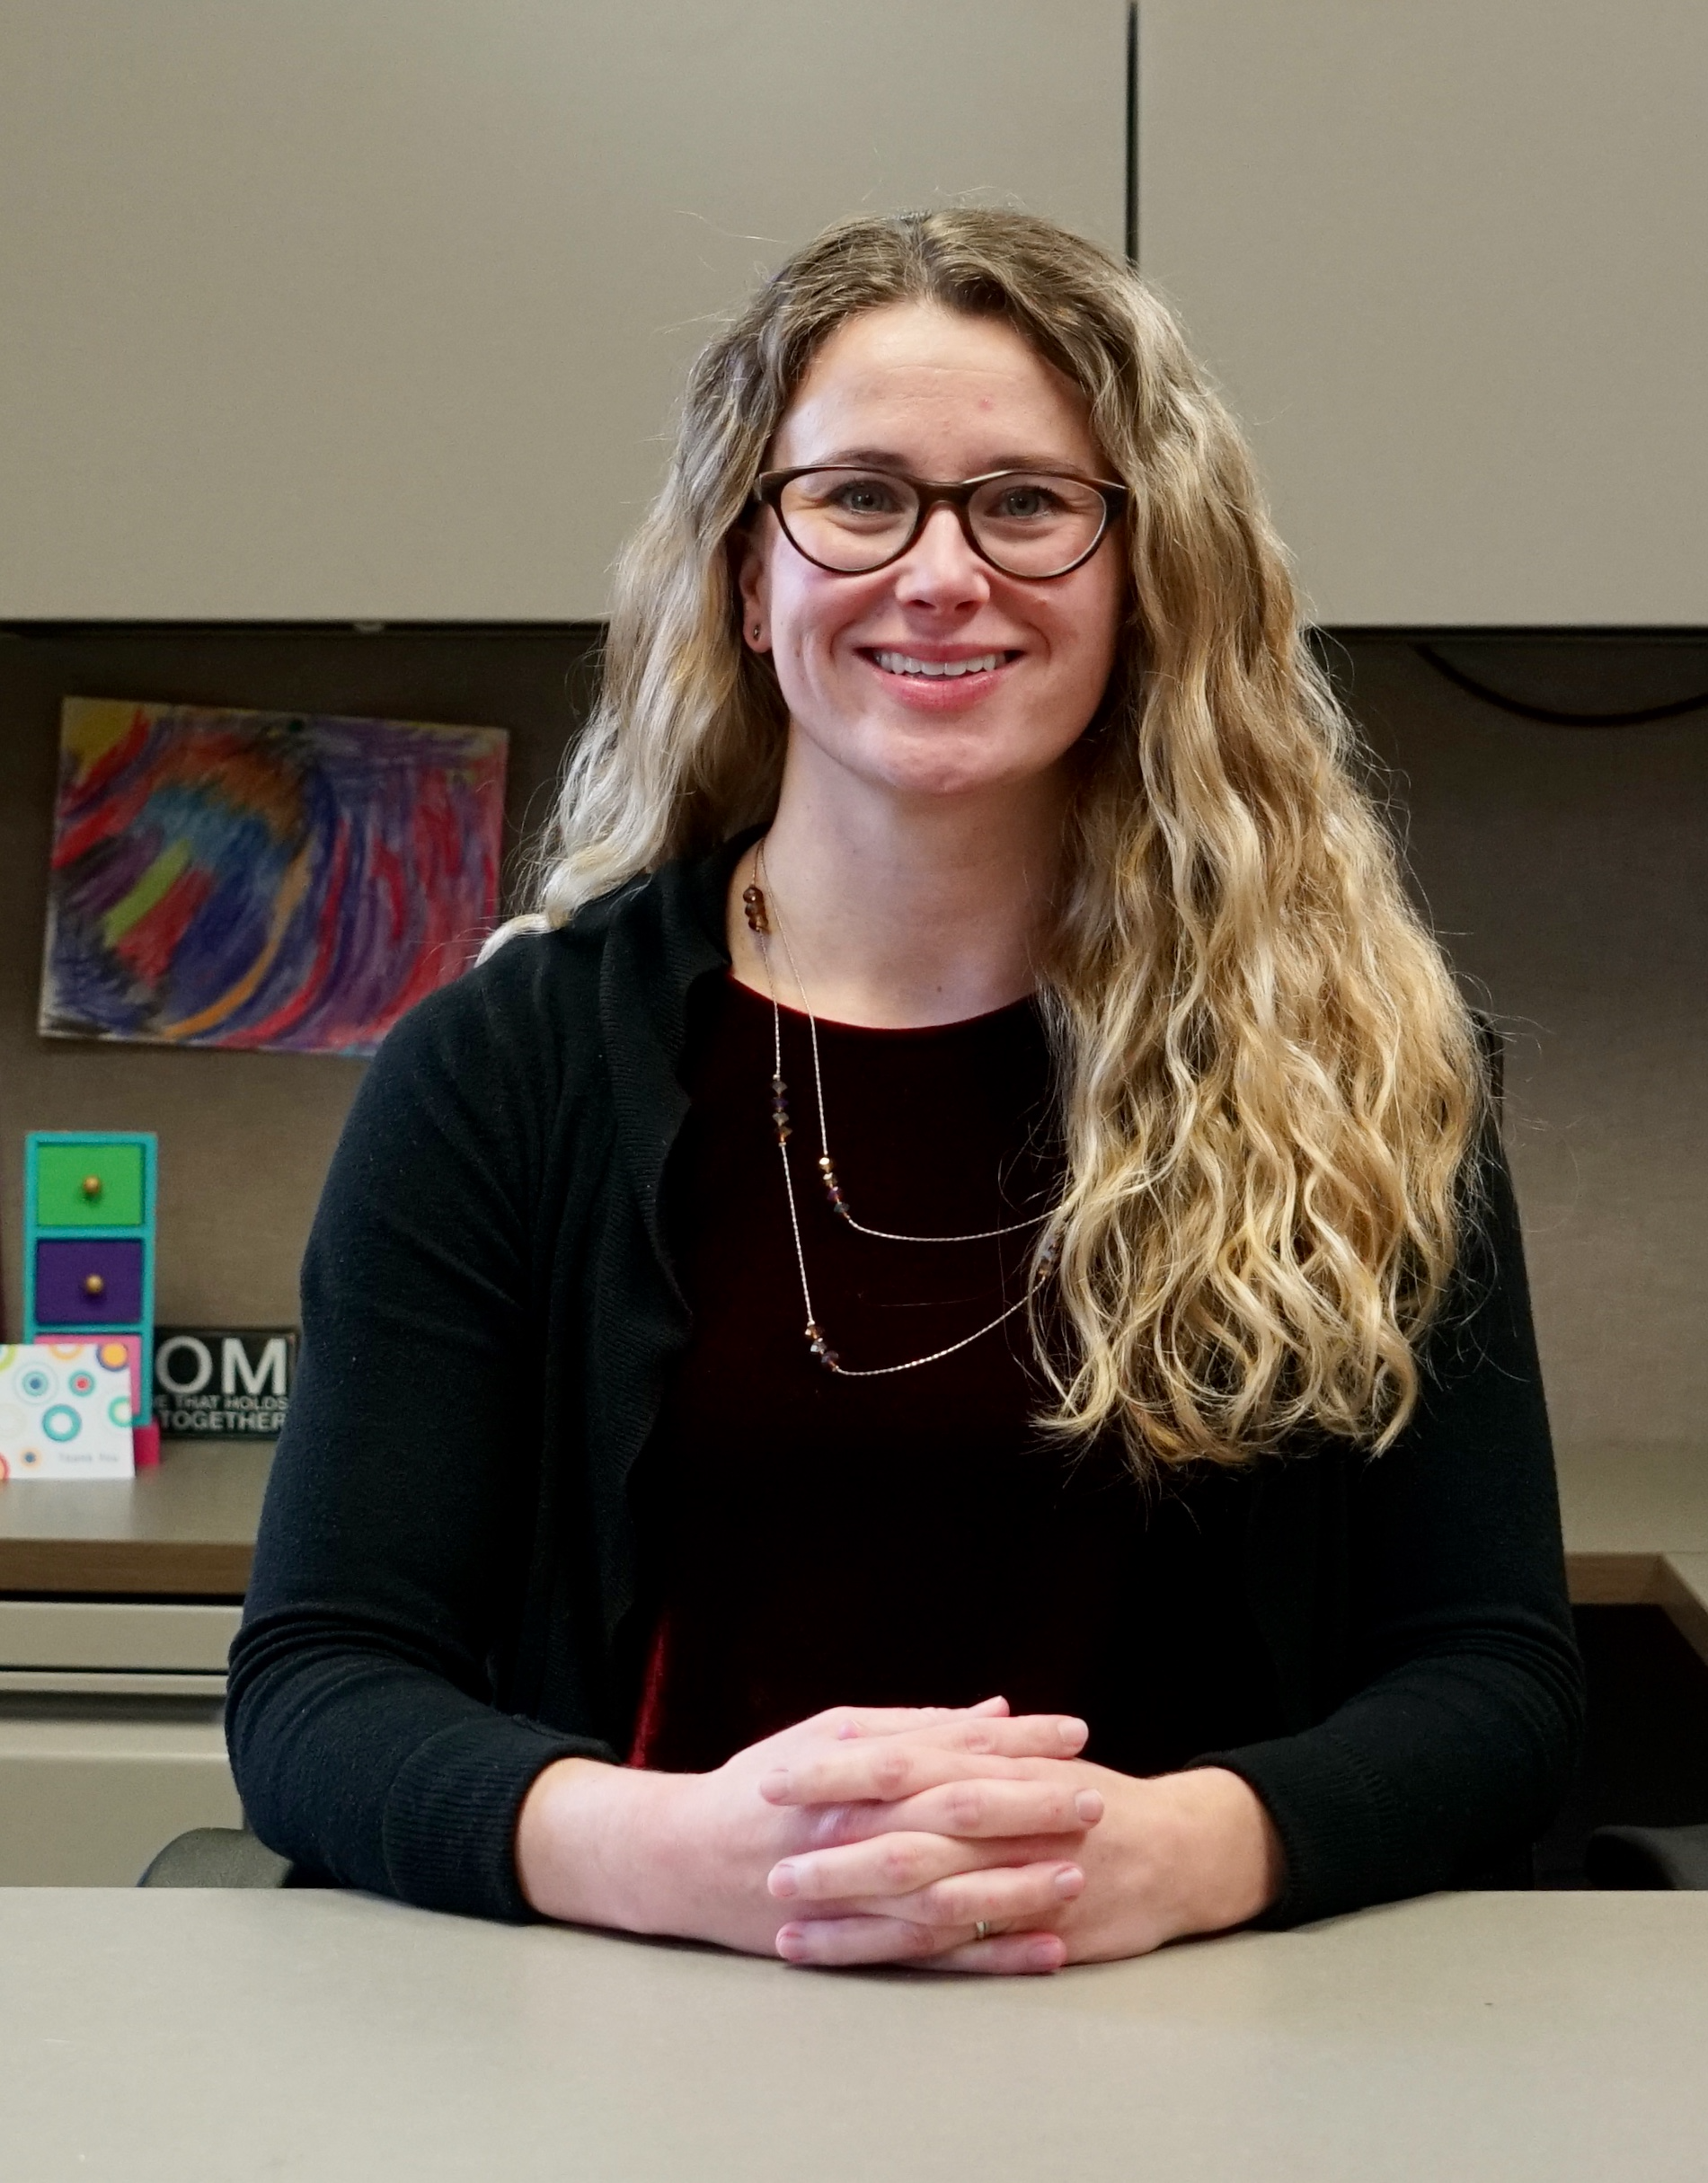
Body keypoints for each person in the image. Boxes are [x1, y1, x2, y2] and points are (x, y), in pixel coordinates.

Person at [227, 208, 1580, 1974]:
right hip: (644, 2024)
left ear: (1141, 573)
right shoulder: (504, 1070)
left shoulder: (1355, 1065)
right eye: (861, 498)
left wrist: (1180, 1853)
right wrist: (694, 1857)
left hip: (1206, 2035)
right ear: (747, 574)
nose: (943, 573)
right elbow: (320, 1688)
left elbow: (1496, 1679)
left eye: (1025, 503)